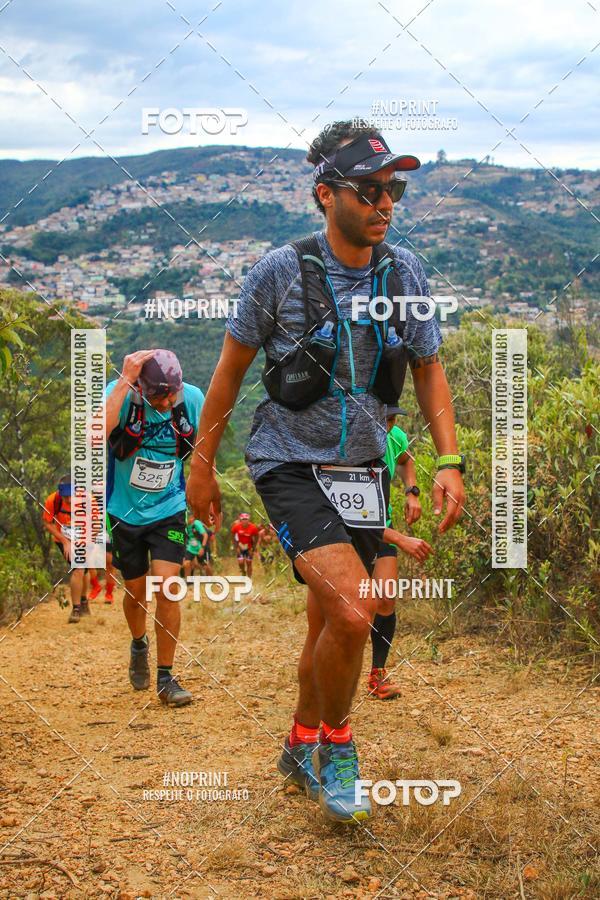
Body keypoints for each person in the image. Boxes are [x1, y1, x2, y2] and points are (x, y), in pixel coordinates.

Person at [186, 121, 465, 823]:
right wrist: (202, 465)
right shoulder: (278, 272)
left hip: (364, 466)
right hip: (289, 462)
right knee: (350, 609)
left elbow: (429, 370)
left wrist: (449, 459)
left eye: (393, 189)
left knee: (327, 624)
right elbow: (227, 376)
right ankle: (337, 747)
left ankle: (298, 741)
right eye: (369, 189)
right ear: (324, 194)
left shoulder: (404, 272)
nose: (385, 202)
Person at [105, 349, 204, 707]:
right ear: (141, 387)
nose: (166, 402)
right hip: (124, 512)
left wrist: (208, 492)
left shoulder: (189, 398)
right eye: (158, 395)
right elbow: (94, 434)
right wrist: (123, 381)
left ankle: (166, 676)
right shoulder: (119, 395)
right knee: (135, 592)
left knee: (167, 587)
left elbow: (204, 445)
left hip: (169, 509)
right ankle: (138, 643)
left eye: (171, 393)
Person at [367, 405, 432, 700]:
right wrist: (403, 540)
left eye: (392, 420)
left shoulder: (395, 437)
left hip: (382, 522)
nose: (388, 426)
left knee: (386, 597)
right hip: (345, 528)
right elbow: (349, 517)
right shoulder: (350, 441)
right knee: (345, 607)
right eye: (383, 420)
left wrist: (412, 492)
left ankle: (377, 674)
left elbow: (406, 460)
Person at [42, 475, 90, 623]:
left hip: (84, 537)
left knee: (85, 569)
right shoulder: (53, 500)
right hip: (62, 539)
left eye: (72, 496)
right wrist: (65, 541)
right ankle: (76, 609)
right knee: (78, 569)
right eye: (65, 497)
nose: (69, 500)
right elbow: (47, 523)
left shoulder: (87, 500)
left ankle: (84, 601)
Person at [182, 512, 211, 577]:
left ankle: (211, 580)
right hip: (191, 546)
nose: (187, 518)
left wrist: (202, 548)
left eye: (189, 517)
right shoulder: (186, 525)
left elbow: (205, 535)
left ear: (192, 517)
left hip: (201, 545)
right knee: (186, 563)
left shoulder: (196, 523)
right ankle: (188, 582)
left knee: (206, 565)